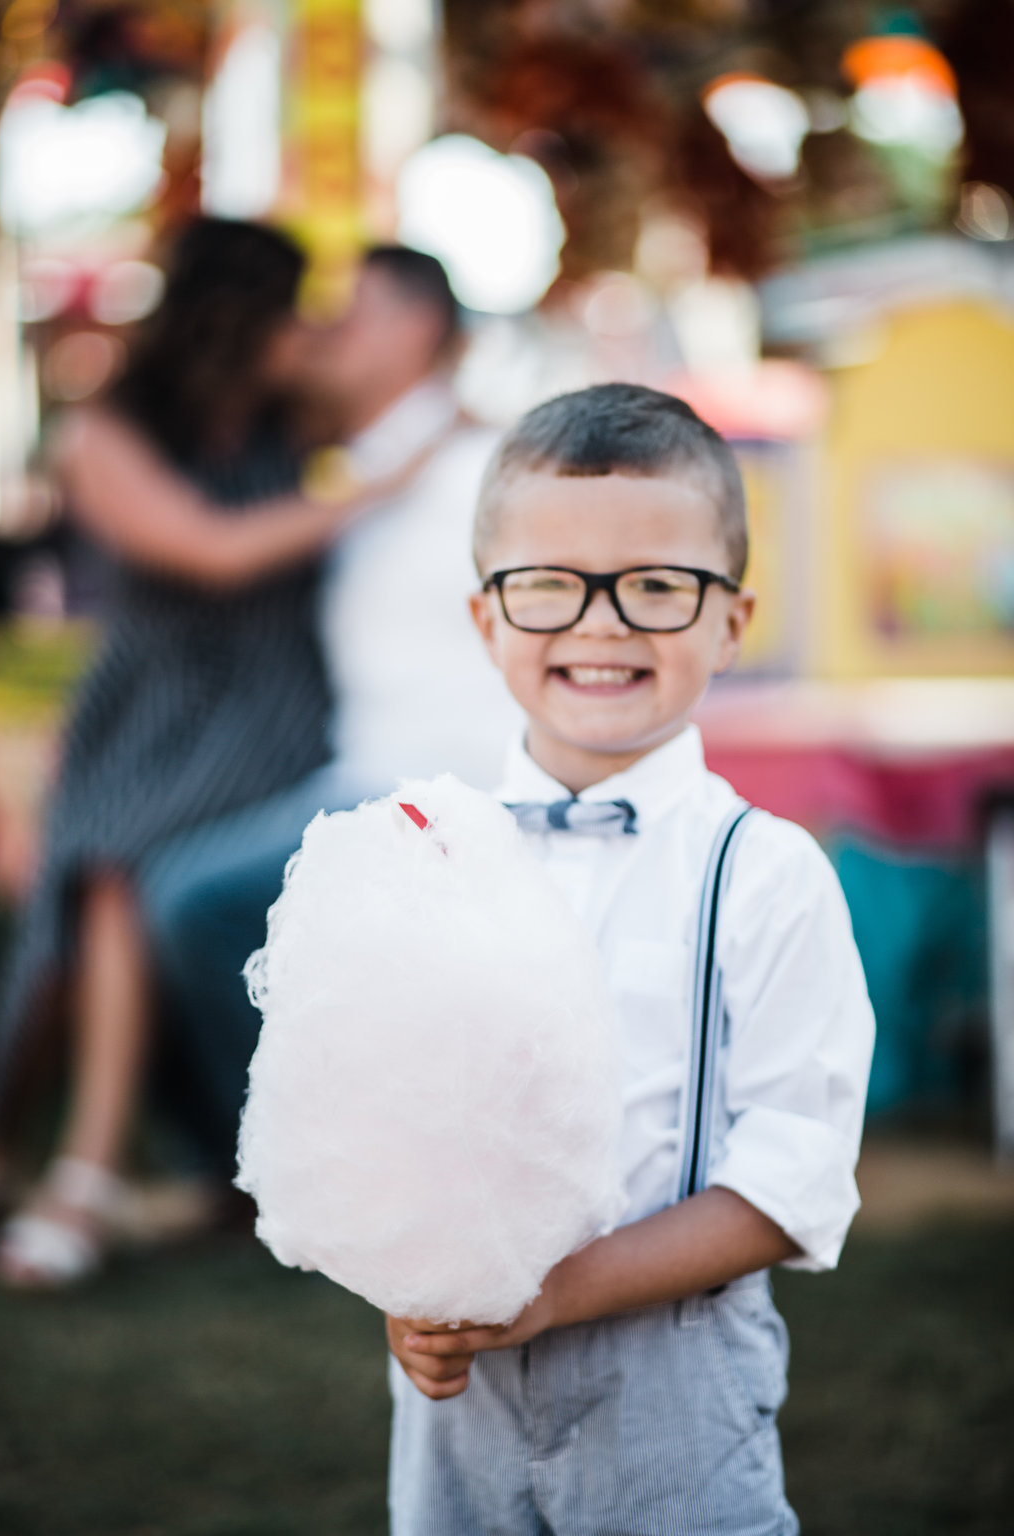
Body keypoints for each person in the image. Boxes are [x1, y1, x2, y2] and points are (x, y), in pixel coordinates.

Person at [384, 382, 875, 1535]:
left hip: (675, 1382)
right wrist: (409, 1293)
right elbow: (387, 1115)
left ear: (731, 620)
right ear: (485, 618)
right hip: (455, 1401)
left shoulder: (764, 872)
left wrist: (553, 1296)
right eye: (549, 585)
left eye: (657, 587)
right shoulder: (427, 851)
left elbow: (792, 1178)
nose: (600, 623)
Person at [0, 218, 413, 1288]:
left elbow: (395, 395)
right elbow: (210, 551)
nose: (312, 331)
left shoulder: (290, 413)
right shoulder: (104, 434)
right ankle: (25, 1155)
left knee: (104, 883)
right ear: (238, 316)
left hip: (269, 707)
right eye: (293, 308)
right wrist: (372, 488)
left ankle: (75, 1179)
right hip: (152, 714)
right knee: (79, 904)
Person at [142, 246, 521, 1172]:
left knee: (192, 902)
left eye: (349, 313)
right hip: (357, 781)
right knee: (156, 891)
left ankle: (300, 1171)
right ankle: (293, 1169)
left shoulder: (488, 468)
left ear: (418, 328)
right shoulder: (356, 473)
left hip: (448, 789)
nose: (320, 334)